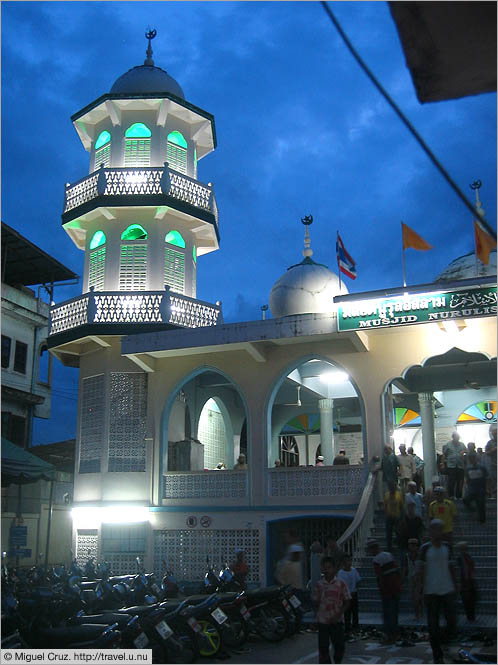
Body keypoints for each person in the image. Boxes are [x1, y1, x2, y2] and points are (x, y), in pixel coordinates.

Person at [416, 519, 458, 664]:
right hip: (431, 592)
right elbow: (421, 570)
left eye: (439, 529)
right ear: (430, 531)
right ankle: (437, 655)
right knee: (432, 626)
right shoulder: (425, 548)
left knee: (452, 621)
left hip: (447, 590)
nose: (436, 532)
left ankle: (444, 642)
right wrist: (419, 590)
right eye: (434, 529)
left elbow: (452, 567)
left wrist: (455, 585)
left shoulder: (448, 547)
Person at [311, 556, 351, 664]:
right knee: (323, 648)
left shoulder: (340, 584)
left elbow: (347, 601)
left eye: (329, 567)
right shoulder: (319, 585)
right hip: (323, 621)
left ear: (334, 569)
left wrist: (339, 614)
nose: (327, 570)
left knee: (339, 646)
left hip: (336, 621)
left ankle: (337, 661)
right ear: (322, 569)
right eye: (325, 568)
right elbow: (315, 601)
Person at [366, 540, 402, 644]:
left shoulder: (376, 560)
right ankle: (395, 633)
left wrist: (381, 589)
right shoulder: (389, 555)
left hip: (387, 589)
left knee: (387, 613)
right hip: (396, 587)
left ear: (373, 549)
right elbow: (397, 570)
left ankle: (389, 636)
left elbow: (380, 577)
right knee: (394, 612)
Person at [337, 554, 361, 637]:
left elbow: (358, 580)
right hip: (346, 596)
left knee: (355, 612)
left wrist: (356, 589)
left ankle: (355, 628)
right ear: (343, 563)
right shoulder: (341, 573)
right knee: (347, 613)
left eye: (350, 560)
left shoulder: (354, 570)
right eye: (347, 561)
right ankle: (347, 629)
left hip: (354, 594)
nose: (349, 563)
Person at [455, 542, 477, 622]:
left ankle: (471, 616)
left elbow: (469, 568)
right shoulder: (462, 558)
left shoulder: (466, 557)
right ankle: (470, 617)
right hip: (466, 581)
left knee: (470, 599)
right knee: (468, 600)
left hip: (468, 580)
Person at [401, 538, 423, 621]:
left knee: (417, 597)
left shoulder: (420, 556)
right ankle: (418, 612)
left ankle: (418, 614)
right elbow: (405, 568)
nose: (413, 546)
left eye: (414, 545)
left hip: (419, 578)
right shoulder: (406, 556)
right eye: (411, 545)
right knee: (414, 597)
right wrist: (402, 579)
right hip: (411, 578)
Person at [462, 451, 488, 523]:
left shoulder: (482, 467)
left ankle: (482, 521)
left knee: (481, 504)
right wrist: (466, 487)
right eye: (470, 458)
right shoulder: (468, 468)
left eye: (473, 458)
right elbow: (467, 479)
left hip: (481, 489)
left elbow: (486, 478)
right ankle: (473, 510)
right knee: (465, 500)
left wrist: (487, 489)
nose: (471, 459)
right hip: (472, 489)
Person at [443, 432, 466, 499]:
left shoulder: (462, 444)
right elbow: (444, 454)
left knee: (460, 482)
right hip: (451, 466)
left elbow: (466, 451)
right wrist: (443, 464)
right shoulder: (448, 444)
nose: (457, 438)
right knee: (451, 481)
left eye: (458, 437)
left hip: (460, 465)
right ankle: (451, 496)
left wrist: (464, 452)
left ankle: (459, 496)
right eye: (456, 437)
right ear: (453, 437)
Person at [383, 482, 404, 552]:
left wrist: (401, 517)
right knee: (389, 533)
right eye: (390, 486)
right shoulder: (386, 495)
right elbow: (385, 506)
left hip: (397, 516)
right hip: (389, 517)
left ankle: (399, 546)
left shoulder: (399, 495)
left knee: (398, 532)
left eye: (393, 486)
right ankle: (389, 547)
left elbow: (401, 506)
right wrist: (386, 514)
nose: (392, 488)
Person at [484, 425, 497, 497]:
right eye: (494, 434)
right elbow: (486, 453)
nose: (496, 435)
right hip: (493, 464)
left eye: (497, 433)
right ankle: (493, 496)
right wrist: (493, 450)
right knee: (493, 481)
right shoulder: (490, 443)